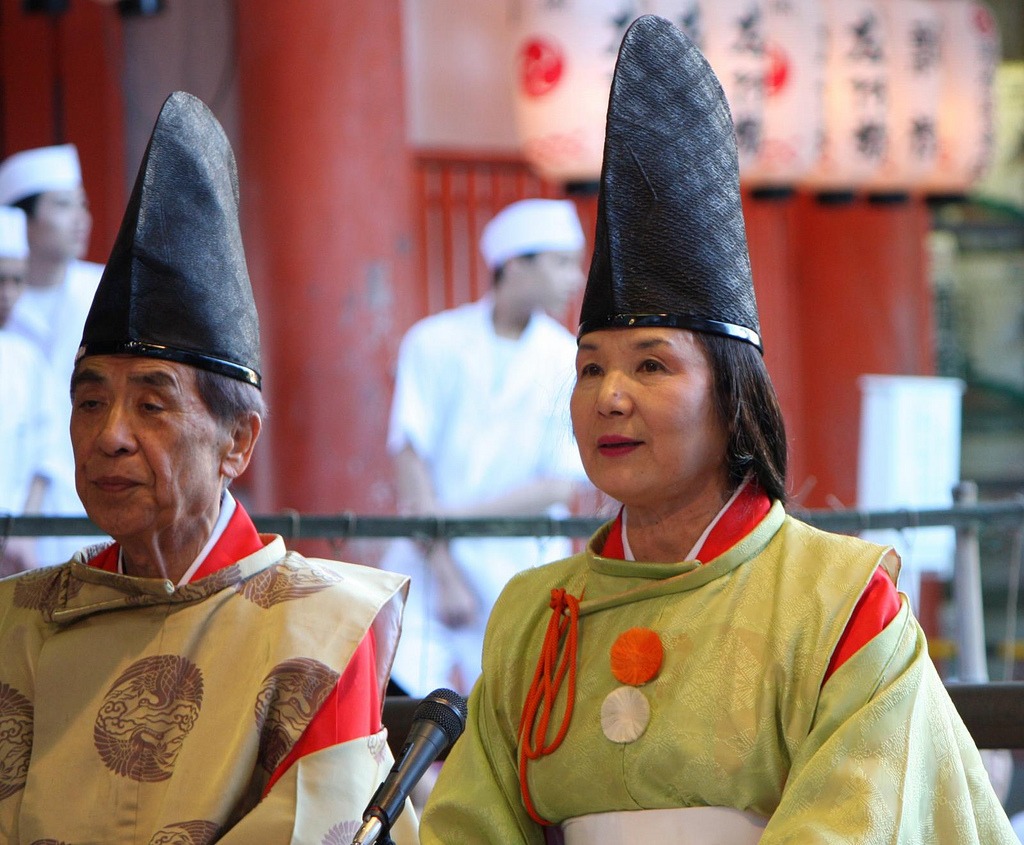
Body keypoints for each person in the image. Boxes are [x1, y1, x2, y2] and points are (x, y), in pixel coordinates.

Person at [420, 16, 1018, 844]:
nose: (609, 396)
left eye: (652, 366)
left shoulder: (843, 602)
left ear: (733, 399)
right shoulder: (532, 616)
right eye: (590, 367)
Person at [0, 91, 416, 843]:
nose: (109, 436)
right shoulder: (18, 622)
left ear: (238, 443)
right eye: (90, 402)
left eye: (152, 406)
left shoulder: (319, 631)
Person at [381, 197, 594, 698]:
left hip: (522, 565)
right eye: (562, 262)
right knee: (398, 705)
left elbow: (559, 483)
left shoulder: (567, 358)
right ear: (515, 263)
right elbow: (409, 451)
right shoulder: (432, 342)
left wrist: (451, 516)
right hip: (429, 563)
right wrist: (444, 563)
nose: (576, 278)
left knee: (519, 711)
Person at [0, 143, 105, 565]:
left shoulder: (104, 292)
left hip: (89, 493)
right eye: (63, 205)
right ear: (22, 220)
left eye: (82, 204)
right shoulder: (9, 315)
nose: (81, 219)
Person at [0, 205, 61, 576]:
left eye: (17, 281)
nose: (7, 294)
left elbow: (46, 455)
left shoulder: (27, 358)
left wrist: (22, 533)